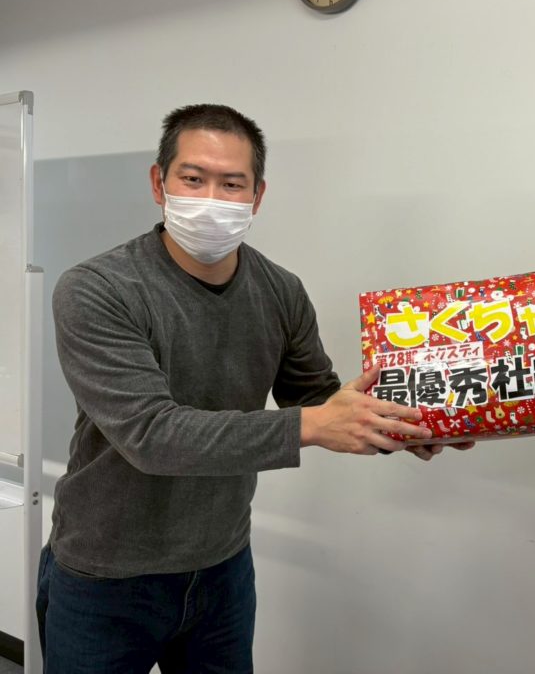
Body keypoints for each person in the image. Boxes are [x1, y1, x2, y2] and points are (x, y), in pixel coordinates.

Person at [36, 104, 467, 673]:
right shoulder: (98, 289)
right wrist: (316, 425)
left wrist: (407, 423)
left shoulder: (281, 290)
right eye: (193, 178)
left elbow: (316, 398)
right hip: (106, 574)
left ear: (257, 196)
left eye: (232, 184)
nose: (211, 199)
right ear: (159, 183)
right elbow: (151, 436)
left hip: (223, 567)